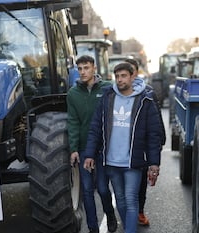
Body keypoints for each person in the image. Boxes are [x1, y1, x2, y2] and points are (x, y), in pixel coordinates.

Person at [84, 62, 162, 233]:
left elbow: (154, 135)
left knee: (131, 199)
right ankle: (129, 229)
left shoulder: (145, 100)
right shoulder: (108, 98)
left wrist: (154, 163)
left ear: (133, 76)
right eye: (117, 76)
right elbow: (95, 128)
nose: (119, 80)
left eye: (123, 76)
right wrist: (89, 154)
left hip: (133, 162)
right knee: (120, 200)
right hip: (111, 161)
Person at [66, 55, 118, 233]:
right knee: (87, 190)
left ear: (94, 68)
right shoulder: (73, 94)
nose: (83, 72)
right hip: (82, 147)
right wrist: (73, 149)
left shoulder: (107, 88)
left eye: (86, 68)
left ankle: (110, 214)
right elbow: (72, 121)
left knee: (103, 188)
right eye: (80, 69)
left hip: (102, 148)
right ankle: (93, 228)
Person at [124, 58, 166, 226]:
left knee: (141, 182)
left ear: (135, 73)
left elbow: (155, 120)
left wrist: (160, 140)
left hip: (140, 146)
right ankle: (127, 210)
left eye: (131, 72)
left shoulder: (148, 92)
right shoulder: (115, 93)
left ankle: (139, 211)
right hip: (122, 147)